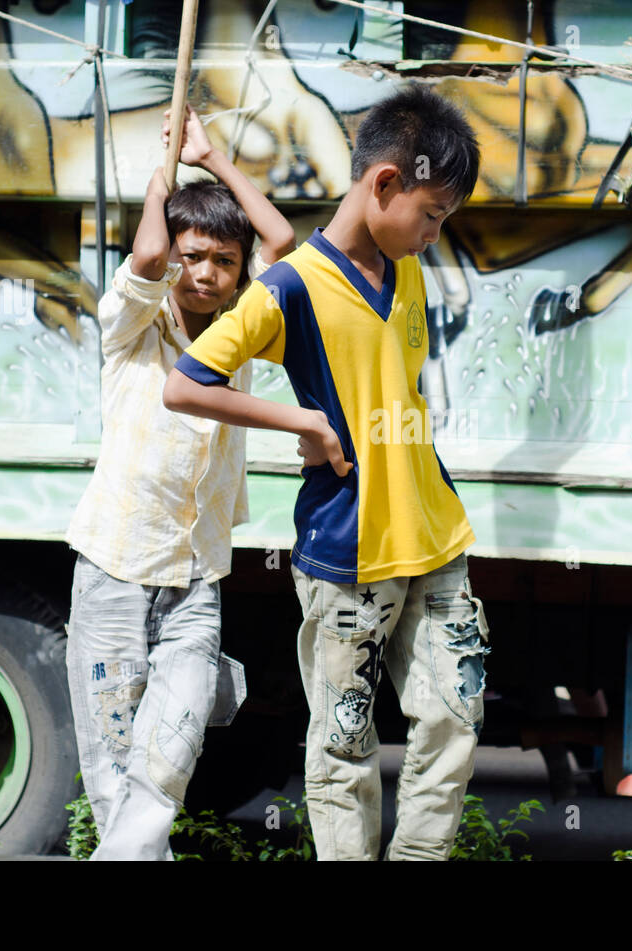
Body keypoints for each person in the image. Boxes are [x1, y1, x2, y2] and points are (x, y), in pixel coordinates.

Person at [163, 84, 487, 861]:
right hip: (349, 553)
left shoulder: (405, 273)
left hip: (437, 539)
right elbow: (186, 383)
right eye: (433, 214)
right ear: (384, 184)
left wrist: (213, 157)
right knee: (344, 747)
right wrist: (302, 420)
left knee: (456, 717)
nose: (436, 234)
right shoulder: (289, 287)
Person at [65, 106, 295, 861]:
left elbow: (284, 243)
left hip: (197, 579)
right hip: (114, 572)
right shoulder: (130, 326)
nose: (204, 273)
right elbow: (149, 251)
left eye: (223, 262)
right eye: (193, 256)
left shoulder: (240, 336)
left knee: (169, 756)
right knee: (115, 770)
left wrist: (214, 157)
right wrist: (165, 171)